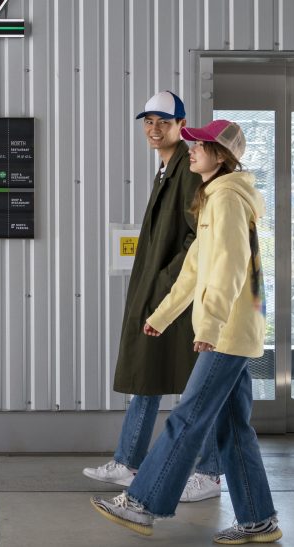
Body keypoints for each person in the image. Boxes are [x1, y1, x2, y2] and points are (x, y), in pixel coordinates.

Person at [90, 119, 282, 544]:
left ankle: (143, 503)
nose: (190, 148)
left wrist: (210, 325)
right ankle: (259, 519)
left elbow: (229, 271)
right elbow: (194, 269)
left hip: (228, 332)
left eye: (200, 144)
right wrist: (160, 316)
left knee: (189, 417)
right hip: (230, 329)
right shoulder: (214, 198)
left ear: (222, 155)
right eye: (191, 142)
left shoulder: (229, 200)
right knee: (233, 427)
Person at [82, 91, 223, 503]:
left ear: (181, 124)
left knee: (199, 385)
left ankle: (210, 472)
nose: (154, 128)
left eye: (163, 120)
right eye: (148, 121)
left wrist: (165, 280)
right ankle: (128, 461)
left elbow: (201, 237)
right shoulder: (168, 169)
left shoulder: (188, 169)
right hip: (163, 295)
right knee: (147, 372)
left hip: (182, 298)